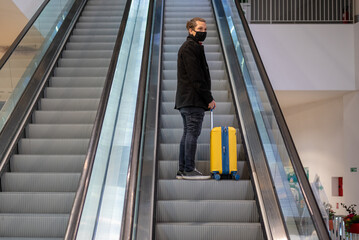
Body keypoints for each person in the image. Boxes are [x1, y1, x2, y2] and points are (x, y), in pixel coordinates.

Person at [175, 17, 216, 180]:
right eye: (200, 29)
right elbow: (196, 77)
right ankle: (189, 169)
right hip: (193, 100)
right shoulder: (190, 48)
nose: (203, 32)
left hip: (187, 100)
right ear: (190, 30)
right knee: (192, 133)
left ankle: (183, 169)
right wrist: (209, 98)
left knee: (188, 133)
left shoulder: (191, 47)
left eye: (205, 30)